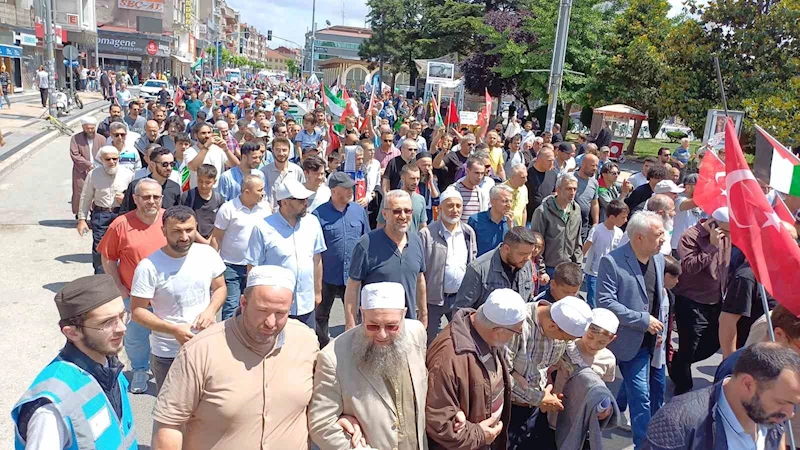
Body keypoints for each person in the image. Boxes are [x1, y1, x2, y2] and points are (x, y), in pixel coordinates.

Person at [151, 266, 320, 449]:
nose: (270, 323)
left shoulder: (306, 341)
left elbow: (325, 401)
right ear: (243, 303)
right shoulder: (200, 351)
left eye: (280, 313)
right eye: (262, 310)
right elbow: (168, 424)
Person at [11, 275, 138, 449]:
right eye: (107, 322)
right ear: (72, 333)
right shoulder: (52, 407)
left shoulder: (110, 366)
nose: (122, 328)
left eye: (122, 316)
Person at [309, 282, 429, 450]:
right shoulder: (333, 358)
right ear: (362, 314)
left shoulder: (416, 333)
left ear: (404, 315)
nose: (382, 334)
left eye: (391, 326)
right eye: (372, 326)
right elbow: (322, 425)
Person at [129, 206, 226, 392]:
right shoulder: (149, 267)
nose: (184, 237)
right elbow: (137, 312)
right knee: (172, 415)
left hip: (206, 346)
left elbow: (220, 287)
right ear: (163, 231)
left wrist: (210, 310)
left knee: (207, 409)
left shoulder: (207, 254)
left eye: (189, 230)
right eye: (176, 231)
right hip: (169, 354)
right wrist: (173, 330)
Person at [595, 210, 666, 449]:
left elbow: (658, 297)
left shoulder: (658, 259)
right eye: (658, 234)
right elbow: (605, 302)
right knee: (641, 395)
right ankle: (643, 444)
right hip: (623, 340)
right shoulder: (612, 261)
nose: (664, 239)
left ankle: (616, 406)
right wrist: (643, 320)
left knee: (637, 387)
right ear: (639, 237)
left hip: (650, 341)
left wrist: (658, 330)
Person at [645, 343, 800, 450]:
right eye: (781, 401)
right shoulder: (676, 423)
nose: (790, 413)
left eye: (794, 403)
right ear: (748, 384)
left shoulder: (771, 416)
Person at [426, 289, 527, 450]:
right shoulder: (448, 359)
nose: (518, 335)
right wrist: (479, 435)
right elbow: (439, 422)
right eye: (517, 332)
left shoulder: (483, 332)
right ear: (498, 331)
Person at [97, 178, 167, 394]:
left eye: (156, 197)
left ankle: (168, 371)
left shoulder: (170, 220)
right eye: (146, 197)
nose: (151, 201)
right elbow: (108, 257)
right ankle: (139, 370)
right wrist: (119, 286)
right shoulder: (120, 224)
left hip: (168, 294)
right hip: (135, 294)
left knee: (169, 335)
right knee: (136, 337)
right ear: (135, 199)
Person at [504, 296, 593, 449]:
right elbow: (502, 374)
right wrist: (539, 398)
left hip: (537, 407)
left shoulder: (561, 325)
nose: (565, 342)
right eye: (564, 338)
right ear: (552, 326)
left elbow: (573, 359)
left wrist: (595, 391)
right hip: (509, 409)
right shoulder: (517, 325)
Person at [246, 178, 326, 328]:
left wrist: (317, 292)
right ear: (285, 202)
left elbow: (317, 259)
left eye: (306, 199)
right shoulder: (262, 228)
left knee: (305, 346)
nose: (305, 203)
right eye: (301, 200)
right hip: (275, 307)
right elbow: (253, 268)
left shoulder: (313, 222)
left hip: (306, 303)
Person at [344, 189, 428, 329]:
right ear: (384, 214)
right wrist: (350, 323)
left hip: (408, 325)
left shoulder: (416, 241)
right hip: (377, 329)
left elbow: (420, 279)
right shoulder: (366, 244)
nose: (403, 216)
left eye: (407, 211)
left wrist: (424, 313)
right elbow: (353, 286)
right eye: (397, 211)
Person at [671, 207, 731, 395]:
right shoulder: (690, 236)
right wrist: (712, 246)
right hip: (691, 300)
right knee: (691, 345)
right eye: (727, 231)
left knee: (712, 344)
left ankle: (677, 363)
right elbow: (690, 267)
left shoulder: (727, 236)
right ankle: (683, 386)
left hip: (716, 299)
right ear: (713, 224)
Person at [313, 172, 371, 347]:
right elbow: (314, 249)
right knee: (321, 315)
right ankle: (323, 346)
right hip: (328, 276)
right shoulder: (318, 214)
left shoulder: (358, 211)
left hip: (353, 275)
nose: (350, 191)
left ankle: (355, 347)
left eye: (351, 188)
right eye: (346, 188)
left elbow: (367, 239)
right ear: (334, 191)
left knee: (356, 314)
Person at [419, 188, 478, 345]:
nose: (455, 210)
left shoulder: (468, 233)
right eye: (450, 206)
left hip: (460, 298)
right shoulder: (426, 234)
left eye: (458, 206)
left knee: (460, 338)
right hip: (433, 299)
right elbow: (420, 272)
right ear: (440, 209)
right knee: (430, 339)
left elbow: (472, 261)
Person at [210, 174, 271, 320]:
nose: (263, 193)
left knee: (254, 303)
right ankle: (227, 337)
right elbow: (216, 237)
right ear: (246, 192)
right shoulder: (228, 209)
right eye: (260, 190)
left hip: (257, 266)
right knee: (231, 303)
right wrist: (212, 264)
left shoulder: (265, 208)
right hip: (232, 265)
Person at [548, 308, 619, 429]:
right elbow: (547, 371)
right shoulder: (567, 348)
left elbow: (603, 386)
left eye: (601, 342)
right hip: (556, 410)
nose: (593, 345)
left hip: (582, 416)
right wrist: (550, 391)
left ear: (612, 339)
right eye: (590, 337)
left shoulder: (609, 359)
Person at [77, 146, 135, 274]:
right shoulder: (94, 175)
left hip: (121, 215)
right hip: (101, 215)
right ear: (101, 160)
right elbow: (86, 197)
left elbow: (135, 197)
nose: (112, 162)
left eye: (115, 159)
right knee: (100, 249)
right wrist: (82, 219)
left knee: (124, 247)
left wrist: (125, 199)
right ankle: (101, 280)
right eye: (108, 159)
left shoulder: (128, 174)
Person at [453, 226, 537, 311]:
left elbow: (529, 301)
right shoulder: (478, 269)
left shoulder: (526, 264)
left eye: (530, 253)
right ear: (506, 249)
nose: (528, 258)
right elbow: (462, 312)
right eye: (523, 254)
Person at [531, 173, 583, 278]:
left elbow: (577, 240)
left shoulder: (576, 209)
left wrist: (578, 266)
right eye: (568, 189)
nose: (572, 193)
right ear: (558, 190)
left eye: (575, 189)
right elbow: (536, 243)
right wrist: (541, 271)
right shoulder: (542, 211)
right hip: (548, 270)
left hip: (569, 268)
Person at [582, 200, 628, 308]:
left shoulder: (619, 233)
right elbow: (585, 248)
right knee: (593, 302)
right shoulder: (596, 230)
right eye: (622, 217)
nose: (625, 220)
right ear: (612, 217)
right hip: (594, 273)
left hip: (610, 274)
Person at [120, 146, 181, 213]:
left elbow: (177, 215)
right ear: (152, 164)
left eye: (172, 164)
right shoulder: (136, 186)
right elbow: (125, 213)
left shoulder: (175, 188)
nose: (169, 168)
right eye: (165, 164)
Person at [177, 164, 224, 245]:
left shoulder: (219, 199)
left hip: (212, 242)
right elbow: (185, 222)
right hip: (192, 242)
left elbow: (220, 223)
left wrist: (210, 240)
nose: (203, 186)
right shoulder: (188, 197)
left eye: (208, 182)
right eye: (200, 181)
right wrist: (204, 242)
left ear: (215, 181)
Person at [184, 123, 239, 189]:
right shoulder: (190, 151)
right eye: (203, 133)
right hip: (198, 191)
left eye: (209, 133)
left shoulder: (218, 149)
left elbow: (236, 165)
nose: (207, 136)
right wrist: (206, 147)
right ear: (196, 136)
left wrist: (226, 149)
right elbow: (194, 167)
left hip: (216, 192)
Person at [377, 163, 429, 233]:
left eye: (418, 178)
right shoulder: (390, 199)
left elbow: (423, 227)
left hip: (412, 242)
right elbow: (380, 225)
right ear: (403, 178)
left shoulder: (420, 200)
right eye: (412, 178)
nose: (416, 182)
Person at [71, 117, 106, 218]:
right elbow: (75, 155)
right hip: (81, 171)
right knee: (81, 192)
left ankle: (94, 214)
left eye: (92, 128)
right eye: (88, 128)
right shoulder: (75, 139)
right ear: (83, 127)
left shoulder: (101, 139)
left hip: (98, 170)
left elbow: (104, 154)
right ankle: (81, 214)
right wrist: (88, 165)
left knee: (96, 192)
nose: (90, 130)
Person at [468, 184, 514, 257]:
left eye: (511, 201)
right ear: (492, 202)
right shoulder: (476, 220)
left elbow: (514, 248)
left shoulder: (510, 222)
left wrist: (511, 228)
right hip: (479, 264)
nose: (509, 205)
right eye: (505, 201)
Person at [261, 136, 305, 211]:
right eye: (277, 150)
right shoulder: (264, 172)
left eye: (284, 150)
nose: (281, 153)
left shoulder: (297, 170)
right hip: (271, 214)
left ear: (289, 151)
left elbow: (302, 193)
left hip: (292, 214)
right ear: (272, 150)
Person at [525, 147, 559, 224]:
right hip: (530, 219)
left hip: (547, 218)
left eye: (553, 160)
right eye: (549, 160)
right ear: (539, 160)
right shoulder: (527, 174)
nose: (552, 163)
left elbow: (554, 193)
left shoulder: (553, 174)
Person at [454, 156, 490, 224]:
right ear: (467, 171)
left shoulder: (481, 193)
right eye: (476, 173)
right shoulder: (455, 190)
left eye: (482, 173)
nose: (479, 177)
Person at [575, 154, 600, 241]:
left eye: (596, 166)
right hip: (569, 224)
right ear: (583, 164)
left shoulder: (594, 183)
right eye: (592, 165)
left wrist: (595, 222)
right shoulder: (571, 178)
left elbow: (594, 203)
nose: (595, 168)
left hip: (583, 226)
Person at [505, 163, 529, 227]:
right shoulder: (502, 189)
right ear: (513, 177)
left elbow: (524, 210)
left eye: (526, 176)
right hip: (504, 226)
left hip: (519, 227)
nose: (526, 180)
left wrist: (523, 227)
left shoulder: (524, 188)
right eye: (522, 177)